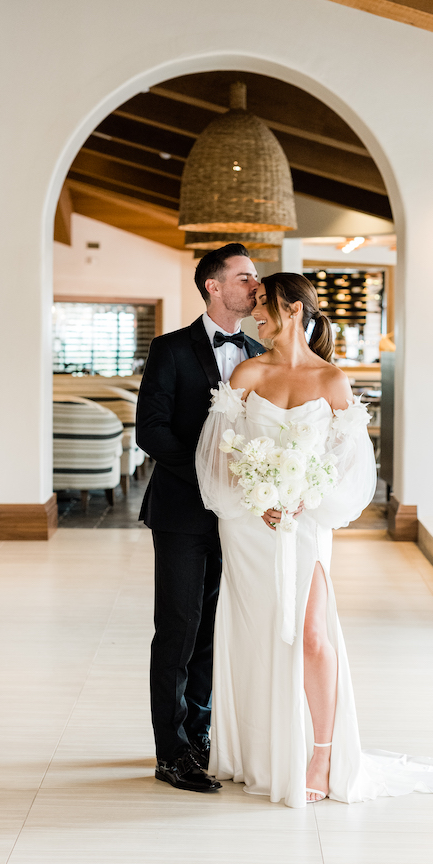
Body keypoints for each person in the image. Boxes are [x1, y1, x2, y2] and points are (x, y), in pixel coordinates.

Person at [196, 272, 433, 806]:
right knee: (255, 635)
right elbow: (218, 457)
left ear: (294, 311)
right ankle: (257, 753)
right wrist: (259, 497)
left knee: (311, 636)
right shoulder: (246, 374)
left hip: (305, 523)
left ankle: (322, 755)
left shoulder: (333, 382)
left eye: (264, 306)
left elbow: (350, 468)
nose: (257, 314)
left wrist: (303, 495)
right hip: (250, 527)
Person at [136, 243, 265, 792]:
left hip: (241, 521)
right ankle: (171, 753)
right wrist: (213, 473)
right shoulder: (170, 349)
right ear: (213, 285)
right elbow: (151, 431)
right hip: (183, 513)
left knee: (214, 631)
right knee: (179, 630)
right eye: (245, 277)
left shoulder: (261, 351)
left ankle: (201, 736)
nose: (255, 286)